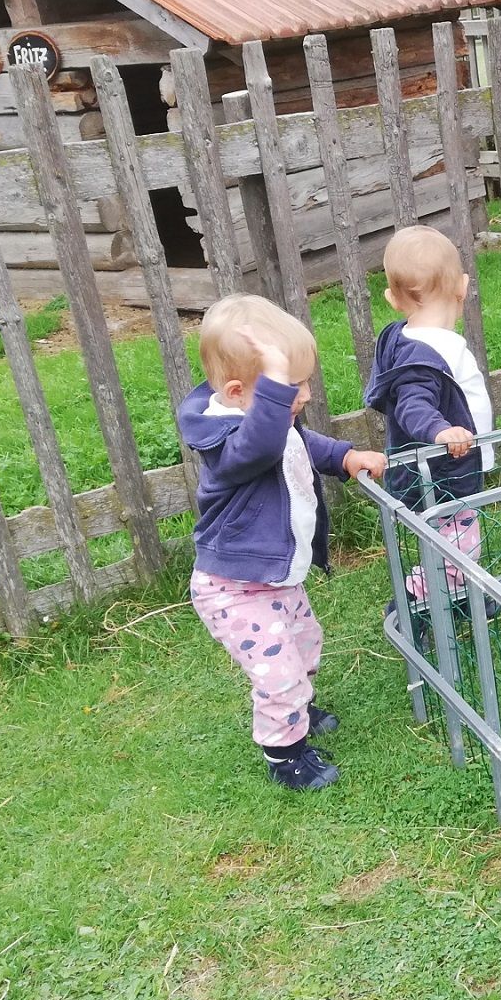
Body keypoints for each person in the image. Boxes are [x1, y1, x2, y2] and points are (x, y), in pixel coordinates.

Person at [177, 294, 386, 791]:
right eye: (292, 386)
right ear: (237, 391)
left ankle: (300, 710)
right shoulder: (229, 444)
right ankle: (285, 755)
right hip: (234, 587)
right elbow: (265, 443)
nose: (307, 394)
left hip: (275, 576)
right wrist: (272, 388)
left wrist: (345, 457)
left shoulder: (270, 421)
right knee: (278, 673)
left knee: (305, 643)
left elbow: (298, 442)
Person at [365, 225, 492, 629]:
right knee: (458, 543)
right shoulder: (423, 354)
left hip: (447, 467)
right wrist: (441, 431)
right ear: (464, 287)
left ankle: (459, 596)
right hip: (443, 472)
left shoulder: (413, 340)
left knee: (453, 542)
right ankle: (413, 610)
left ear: (391, 298)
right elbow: (413, 406)